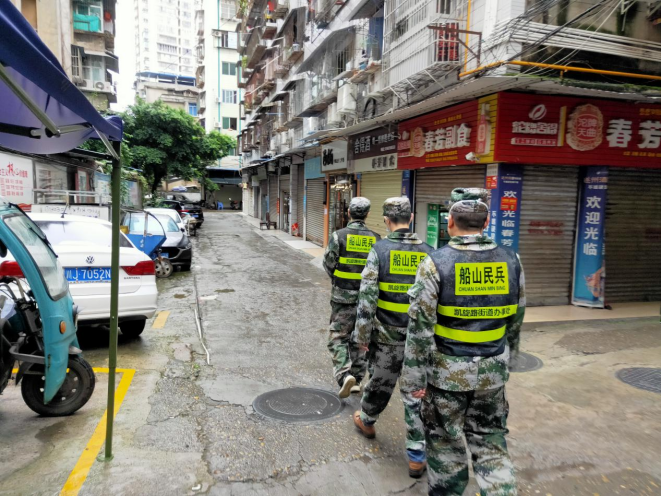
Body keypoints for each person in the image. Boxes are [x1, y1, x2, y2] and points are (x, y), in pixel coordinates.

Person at [401, 188, 526, 497]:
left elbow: (420, 328)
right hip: (492, 372)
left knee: (446, 444)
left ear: (450, 222)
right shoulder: (512, 260)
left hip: (446, 375)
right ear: (486, 223)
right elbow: (517, 317)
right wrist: (508, 362)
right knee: (490, 441)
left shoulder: (436, 262)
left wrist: (414, 380)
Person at [352, 197, 434, 478]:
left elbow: (367, 297)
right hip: (420, 340)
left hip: (387, 336)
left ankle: (366, 420)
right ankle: (416, 455)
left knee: (380, 382)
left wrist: (362, 336)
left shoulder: (380, 250)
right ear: (410, 218)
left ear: (387, 221)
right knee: (415, 394)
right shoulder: (430, 252)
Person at [323, 197, 381, 398]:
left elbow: (328, 263)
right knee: (361, 337)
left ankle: (344, 374)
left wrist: (337, 280)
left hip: (342, 296)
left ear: (348, 212)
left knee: (337, 336)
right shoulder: (377, 239)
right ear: (367, 214)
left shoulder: (338, 236)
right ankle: (356, 378)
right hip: (367, 300)